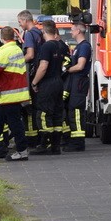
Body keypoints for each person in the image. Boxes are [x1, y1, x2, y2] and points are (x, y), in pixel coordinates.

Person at [0, 26, 31, 162]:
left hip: (8, 94)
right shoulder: (17, 49)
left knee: (14, 124)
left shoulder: (4, 52)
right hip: (14, 93)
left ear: (2, 38)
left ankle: (22, 151)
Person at [29, 21, 69, 155]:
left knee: (44, 113)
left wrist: (34, 82)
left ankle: (44, 144)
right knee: (57, 113)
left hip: (47, 83)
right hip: (58, 82)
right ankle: (55, 145)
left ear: (44, 32)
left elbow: (43, 67)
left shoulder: (46, 46)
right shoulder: (60, 45)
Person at [62, 21, 92, 152]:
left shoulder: (84, 46)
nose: (71, 32)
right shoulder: (79, 47)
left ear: (78, 31)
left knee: (76, 111)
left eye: (72, 30)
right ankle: (73, 141)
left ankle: (78, 142)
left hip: (79, 81)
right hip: (76, 81)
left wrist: (67, 69)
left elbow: (80, 66)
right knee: (72, 110)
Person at [17, 10, 45, 147]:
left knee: (30, 107)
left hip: (33, 72)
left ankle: (34, 140)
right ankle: (42, 137)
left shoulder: (29, 34)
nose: (20, 25)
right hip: (41, 72)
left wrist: (17, 62)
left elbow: (30, 55)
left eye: (20, 22)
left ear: (26, 20)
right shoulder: (39, 33)